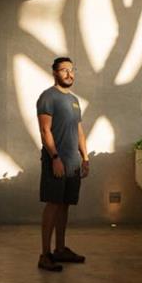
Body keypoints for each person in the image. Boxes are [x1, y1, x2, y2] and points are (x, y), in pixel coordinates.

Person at [36, 56, 90, 271]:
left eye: (72, 70)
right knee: (53, 204)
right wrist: (55, 158)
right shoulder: (48, 97)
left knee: (65, 204)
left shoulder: (74, 100)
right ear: (55, 73)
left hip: (73, 162)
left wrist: (85, 158)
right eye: (64, 70)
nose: (69, 74)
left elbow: (79, 131)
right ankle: (45, 255)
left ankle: (60, 249)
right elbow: (45, 131)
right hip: (56, 161)